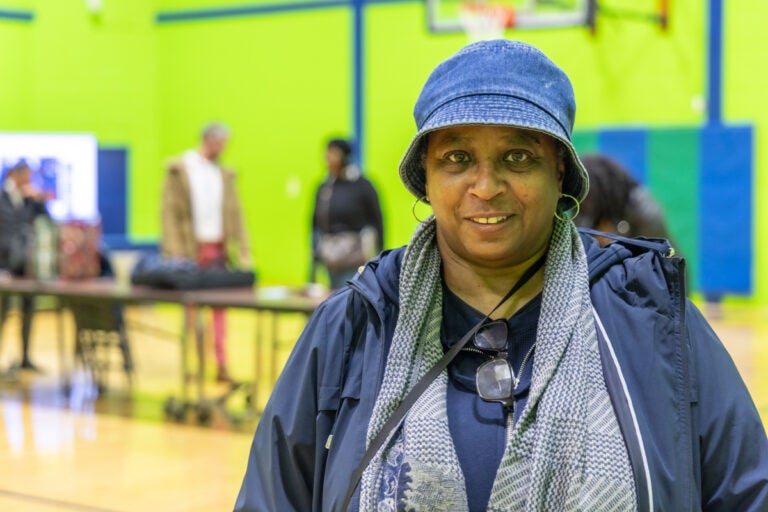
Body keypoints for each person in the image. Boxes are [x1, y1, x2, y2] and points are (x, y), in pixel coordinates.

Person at [234, 40, 768, 511]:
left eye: (517, 156)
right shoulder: (354, 325)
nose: (486, 186)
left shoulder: (649, 319)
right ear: (427, 178)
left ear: (558, 169)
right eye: (458, 157)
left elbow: (749, 492)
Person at [161, 122, 250, 383]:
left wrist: (242, 246)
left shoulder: (224, 173)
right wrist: (174, 250)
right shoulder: (181, 169)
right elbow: (169, 213)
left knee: (220, 313)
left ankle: (221, 364)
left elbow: (235, 212)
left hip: (219, 251)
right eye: (221, 143)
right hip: (190, 251)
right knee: (192, 314)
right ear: (209, 140)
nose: (223, 149)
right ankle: (194, 365)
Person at [311, 138, 383, 289]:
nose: (328, 159)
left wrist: (380, 259)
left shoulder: (362, 186)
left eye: (333, 154)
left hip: (355, 258)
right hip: (330, 258)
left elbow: (378, 222)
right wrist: (314, 262)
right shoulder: (325, 188)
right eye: (327, 154)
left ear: (344, 157)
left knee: (350, 297)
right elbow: (315, 225)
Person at [0, 161, 49, 372]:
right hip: (4, 265)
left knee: (28, 309)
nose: (29, 181)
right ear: (16, 175)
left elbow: (46, 220)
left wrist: (38, 201)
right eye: (26, 176)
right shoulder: (2, 197)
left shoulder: (29, 199)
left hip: (26, 265)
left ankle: (25, 357)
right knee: (3, 312)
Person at [575, 153, 673, 247]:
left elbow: (659, 259)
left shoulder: (644, 211)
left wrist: (613, 242)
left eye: (588, 198)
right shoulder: (585, 212)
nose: (584, 203)